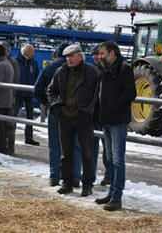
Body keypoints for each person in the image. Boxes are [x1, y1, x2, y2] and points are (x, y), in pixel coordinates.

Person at [47, 42, 99, 197]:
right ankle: (67, 183)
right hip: (65, 117)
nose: (68, 59)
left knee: (87, 153)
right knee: (66, 153)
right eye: (67, 57)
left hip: (83, 118)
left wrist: (89, 111)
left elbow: (97, 94)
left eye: (71, 56)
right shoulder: (61, 71)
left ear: (80, 56)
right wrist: (57, 106)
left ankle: (87, 185)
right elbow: (51, 90)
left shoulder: (91, 72)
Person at [95, 41, 136, 211]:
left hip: (118, 121)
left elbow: (130, 93)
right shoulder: (106, 69)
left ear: (113, 53)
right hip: (107, 120)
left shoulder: (124, 68)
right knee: (110, 159)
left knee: (118, 160)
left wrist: (114, 108)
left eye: (102, 53)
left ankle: (117, 197)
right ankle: (112, 193)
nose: (99, 56)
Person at [34, 43, 82, 187]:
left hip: (56, 111)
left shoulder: (50, 67)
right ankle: (74, 178)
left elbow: (37, 90)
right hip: (75, 112)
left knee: (55, 144)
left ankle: (55, 176)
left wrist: (49, 104)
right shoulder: (81, 67)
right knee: (74, 145)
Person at [91, 44, 112, 186]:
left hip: (104, 115)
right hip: (93, 115)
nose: (95, 56)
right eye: (94, 54)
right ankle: (90, 174)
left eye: (98, 54)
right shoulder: (91, 70)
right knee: (91, 147)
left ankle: (109, 174)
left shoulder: (106, 71)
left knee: (107, 148)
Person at [0, 44, 14, 154]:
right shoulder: (8, 64)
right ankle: (1, 147)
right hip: (6, 101)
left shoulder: (0, 66)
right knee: (3, 127)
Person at [15, 44, 40, 146]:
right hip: (18, 92)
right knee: (14, 115)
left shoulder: (33, 63)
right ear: (25, 52)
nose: (33, 54)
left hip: (29, 92)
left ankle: (29, 138)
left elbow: (37, 76)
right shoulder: (16, 62)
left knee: (30, 116)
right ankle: (10, 136)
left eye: (33, 52)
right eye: (31, 52)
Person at [1, 42, 20, 154]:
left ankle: (10, 147)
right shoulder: (7, 61)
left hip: (10, 97)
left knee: (10, 123)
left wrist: (11, 94)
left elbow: (16, 80)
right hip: (4, 97)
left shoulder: (13, 63)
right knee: (3, 122)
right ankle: (4, 145)